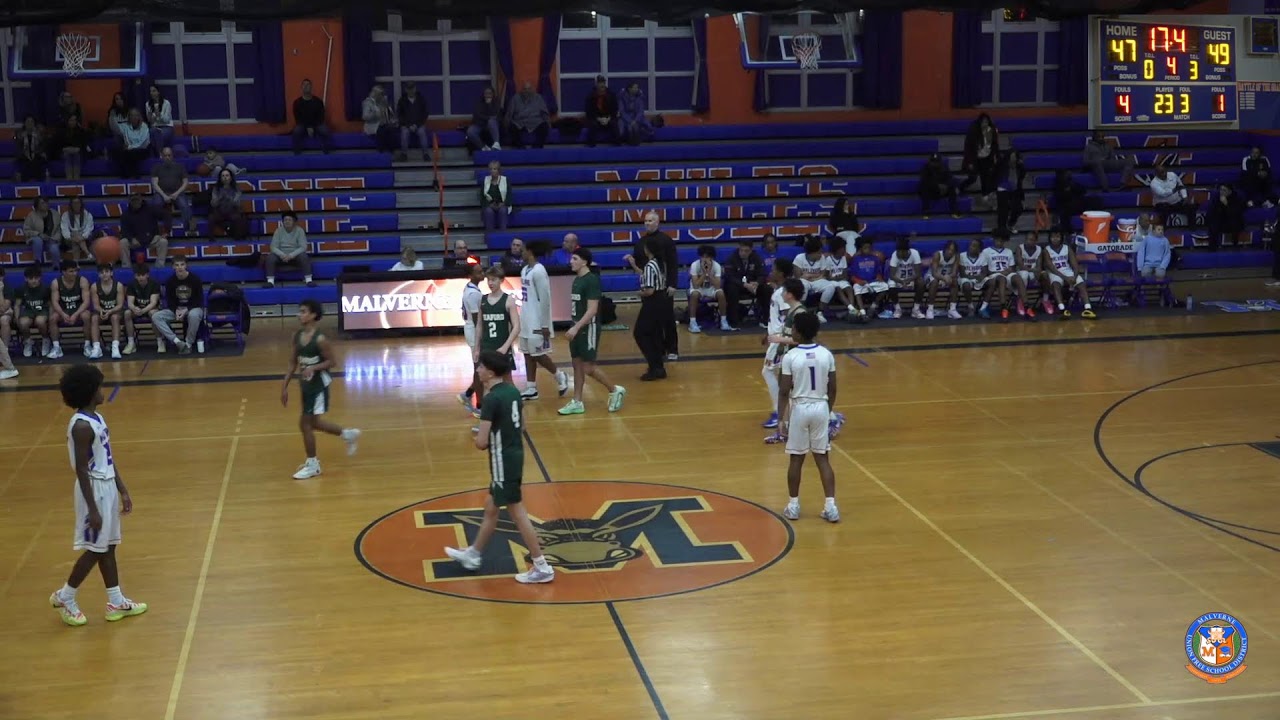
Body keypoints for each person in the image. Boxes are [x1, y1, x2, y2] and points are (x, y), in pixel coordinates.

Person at [444, 350, 555, 584]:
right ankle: (473, 554)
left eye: (481, 367)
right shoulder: (513, 391)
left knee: (517, 513)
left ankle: (541, 565)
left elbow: (481, 442)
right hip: (514, 455)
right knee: (491, 507)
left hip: (502, 460)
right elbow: (523, 425)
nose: (478, 370)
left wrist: (480, 438)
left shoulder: (492, 399)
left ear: (490, 372)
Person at [49, 363, 147, 627]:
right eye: (100, 386)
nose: (103, 390)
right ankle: (65, 596)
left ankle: (115, 600)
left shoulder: (98, 418)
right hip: (93, 490)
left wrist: (122, 489)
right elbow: (82, 470)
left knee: (108, 546)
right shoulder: (81, 426)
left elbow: (108, 459)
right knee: (94, 549)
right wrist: (92, 508)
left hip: (107, 487)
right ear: (90, 391)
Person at [280, 299, 361, 480]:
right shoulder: (297, 336)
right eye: (299, 311)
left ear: (314, 315)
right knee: (313, 423)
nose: (300, 315)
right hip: (306, 385)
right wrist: (284, 386)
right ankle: (347, 434)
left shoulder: (321, 339)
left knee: (305, 424)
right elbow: (292, 362)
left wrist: (313, 368)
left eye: (303, 311)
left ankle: (313, 464)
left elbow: (332, 362)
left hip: (318, 386)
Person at [777, 311, 840, 523]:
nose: (791, 331)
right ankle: (831, 507)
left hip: (800, 407)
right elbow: (833, 389)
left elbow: (784, 390)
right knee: (822, 458)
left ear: (800, 332)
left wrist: (780, 419)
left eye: (793, 328)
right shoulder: (826, 354)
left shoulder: (791, 356)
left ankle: (793, 506)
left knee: (796, 458)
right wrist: (828, 410)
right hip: (821, 406)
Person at [559, 248, 626, 415]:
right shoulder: (577, 280)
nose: (571, 261)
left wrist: (576, 327)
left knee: (588, 367)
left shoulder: (591, 280)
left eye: (574, 258)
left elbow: (592, 310)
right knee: (576, 365)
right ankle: (577, 401)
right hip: (577, 327)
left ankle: (614, 389)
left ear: (584, 261)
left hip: (587, 328)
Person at [517, 241, 569, 399]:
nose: (521, 252)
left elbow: (545, 300)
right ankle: (531, 387)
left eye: (524, 250)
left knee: (538, 354)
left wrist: (545, 324)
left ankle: (559, 375)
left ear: (530, 252)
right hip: (525, 317)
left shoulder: (539, 271)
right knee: (527, 353)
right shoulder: (525, 269)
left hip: (537, 321)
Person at [764, 277, 808, 443]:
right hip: (788, 357)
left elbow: (802, 339)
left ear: (789, 294)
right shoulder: (791, 311)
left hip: (797, 358)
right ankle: (786, 429)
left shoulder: (800, 313)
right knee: (787, 393)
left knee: (797, 394)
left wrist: (779, 340)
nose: (780, 294)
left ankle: (829, 418)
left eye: (783, 291)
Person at [475, 265, 520, 393]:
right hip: (487, 347)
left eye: (493, 280)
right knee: (486, 382)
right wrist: (477, 348)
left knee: (507, 380)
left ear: (501, 280)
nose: (490, 283)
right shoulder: (482, 300)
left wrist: (506, 346)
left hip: (502, 346)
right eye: (488, 280)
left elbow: (517, 327)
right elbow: (479, 325)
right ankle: (488, 411)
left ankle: (516, 406)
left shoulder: (508, 300)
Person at [634, 235, 668, 380]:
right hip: (662, 301)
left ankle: (654, 367)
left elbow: (649, 290)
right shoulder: (660, 263)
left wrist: (638, 293)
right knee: (654, 334)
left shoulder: (649, 265)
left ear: (648, 249)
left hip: (652, 302)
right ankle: (659, 367)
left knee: (640, 334)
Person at [458, 264, 485, 419]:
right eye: (478, 272)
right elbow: (477, 320)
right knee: (479, 368)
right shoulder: (473, 294)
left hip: (470, 328)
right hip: (474, 330)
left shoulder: (469, 288)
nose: (482, 273)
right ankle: (479, 405)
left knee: (480, 367)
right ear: (471, 275)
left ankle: (468, 394)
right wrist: (482, 337)